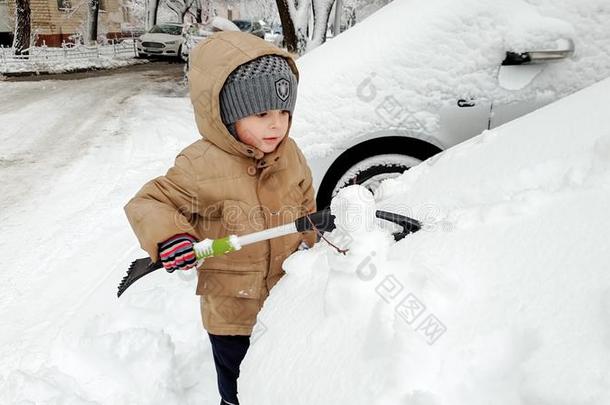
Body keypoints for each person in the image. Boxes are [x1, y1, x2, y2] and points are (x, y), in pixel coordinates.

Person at [123, 31, 317, 405]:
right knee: (239, 387)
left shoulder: (291, 154)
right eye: (261, 114)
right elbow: (149, 202)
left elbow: (306, 205)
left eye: (284, 112)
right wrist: (172, 238)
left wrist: (313, 244)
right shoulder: (200, 165)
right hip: (233, 313)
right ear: (226, 114)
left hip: (290, 300)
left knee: (282, 379)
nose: (276, 125)